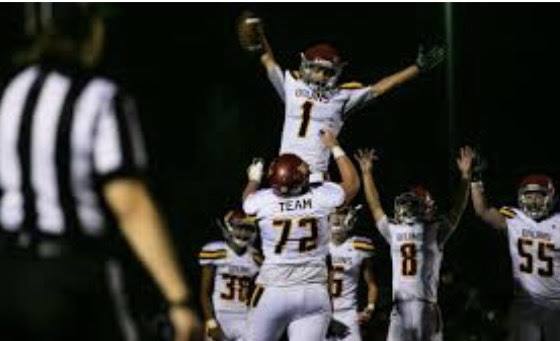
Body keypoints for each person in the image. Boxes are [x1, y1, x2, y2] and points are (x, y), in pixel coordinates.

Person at [0, 4, 201, 340]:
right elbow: (130, 202)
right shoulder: (99, 97)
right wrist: (178, 298)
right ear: (89, 30)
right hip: (73, 276)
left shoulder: (13, 92)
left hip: (10, 275)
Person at [237, 11, 446, 182]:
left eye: (327, 71)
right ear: (304, 66)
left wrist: (415, 69)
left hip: (315, 177)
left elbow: (379, 88)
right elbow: (268, 60)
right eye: (316, 69)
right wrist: (259, 34)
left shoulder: (342, 95)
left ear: (336, 72)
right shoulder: (291, 84)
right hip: (283, 173)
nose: (320, 75)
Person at [241, 129, 360, 341]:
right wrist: (335, 146)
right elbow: (352, 184)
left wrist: (254, 178)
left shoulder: (263, 201)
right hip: (314, 293)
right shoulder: (321, 197)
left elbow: (247, 199)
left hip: (273, 291)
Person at [355, 146, 474, 341]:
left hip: (419, 306)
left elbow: (375, 205)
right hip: (406, 306)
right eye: (409, 205)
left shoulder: (425, 230)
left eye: (414, 204)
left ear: (426, 207)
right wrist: (465, 177)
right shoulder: (427, 230)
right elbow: (457, 209)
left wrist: (367, 173)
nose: (409, 209)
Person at [470, 173, 560, 341]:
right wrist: (475, 182)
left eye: (539, 195)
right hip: (525, 301)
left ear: (550, 198)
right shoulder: (514, 218)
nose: (533, 200)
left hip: (556, 303)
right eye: (528, 196)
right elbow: (482, 211)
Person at [199, 210, 262, 341]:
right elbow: (205, 293)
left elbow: (258, 293)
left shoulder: (256, 257)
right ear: (229, 227)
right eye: (239, 228)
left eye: (247, 229)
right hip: (220, 316)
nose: (243, 233)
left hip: (245, 318)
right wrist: (211, 322)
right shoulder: (215, 251)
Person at [327, 205, 379, 341]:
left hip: (348, 315)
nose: (337, 220)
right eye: (333, 215)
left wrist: (369, 309)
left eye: (341, 215)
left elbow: (372, 284)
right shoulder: (318, 246)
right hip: (321, 314)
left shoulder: (359, 246)